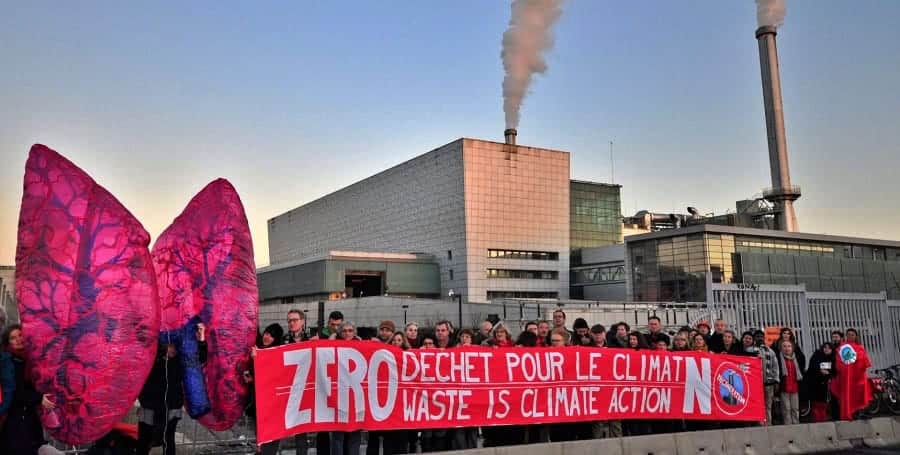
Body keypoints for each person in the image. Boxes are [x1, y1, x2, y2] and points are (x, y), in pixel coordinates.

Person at [137, 323, 207, 455]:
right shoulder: (152, 331)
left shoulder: (183, 343)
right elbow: (141, 345)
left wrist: (201, 340)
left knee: (168, 438)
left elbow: (198, 360)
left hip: (172, 399)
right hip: (150, 398)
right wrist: (163, 350)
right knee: (145, 437)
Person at [1, 324, 53, 454]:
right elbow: (15, 391)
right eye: (13, 338)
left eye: (20, 335)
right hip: (16, 422)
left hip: (29, 419)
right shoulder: (9, 362)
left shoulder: (30, 359)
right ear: (7, 343)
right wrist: (38, 397)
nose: (18, 339)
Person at [248, 324, 286, 455]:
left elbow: (271, 377)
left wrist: (256, 360)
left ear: (276, 338)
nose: (266, 336)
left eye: (270, 335)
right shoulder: (258, 349)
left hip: (272, 403)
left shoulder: (276, 353)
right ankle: (260, 450)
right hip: (258, 401)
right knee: (260, 434)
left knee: (269, 437)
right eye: (266, 333)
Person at [280, 312, 312, 455]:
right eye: (289, 321)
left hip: (306, 389)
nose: (291, 323)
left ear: (302, 321)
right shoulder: (283, 340)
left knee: (302, 429)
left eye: (294, 320)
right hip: (287, 388)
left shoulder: (311, 339)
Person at [331, 323, 362, 455]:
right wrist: (330, 341)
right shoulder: (333, 346)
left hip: (356, 398)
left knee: (354, 435)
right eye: (344, 331)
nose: (347, 333)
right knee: (338, 435)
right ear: (340, 333)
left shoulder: (362, 347)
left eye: (350, 331)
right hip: (339, 397)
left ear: (354, 332)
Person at [830, 328, 872, 421]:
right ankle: (851, 413)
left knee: (860, 395)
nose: (850, 336)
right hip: (848, 376)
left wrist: (858, 356)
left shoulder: (860, 347)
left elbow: (865, 362)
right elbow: (840, 362)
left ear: (856, 336)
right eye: (848, 334)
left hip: (859, 376)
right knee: (849, 395)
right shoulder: (843, 347)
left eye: (852, 334)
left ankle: (861, 412)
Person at [754, 330, 780, 425]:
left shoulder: (770, 351)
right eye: (757, 336)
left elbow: (775, 366)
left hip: (769, 384)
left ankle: (768, 424)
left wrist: (776, 380)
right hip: (755, 384)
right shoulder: (751, 350)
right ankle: (759, 424)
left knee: (768, 405)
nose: (759, 338)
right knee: (758, 405)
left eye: (761, 336)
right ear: (754, 338)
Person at [805, 342, 835, 423]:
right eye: (825, 347)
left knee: (823, 404)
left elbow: (833, 371)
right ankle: (817, 420)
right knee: (816, 404)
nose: (827, 349)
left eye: (829, 348)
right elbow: (812, 368)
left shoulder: (832, 358)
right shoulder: (816, 356)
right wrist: (820, 371)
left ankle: (822, 419)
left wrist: (828, 373)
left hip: (825, 385)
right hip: (815, 384)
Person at [779, 340, 803, 425]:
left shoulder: (796, 359)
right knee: (786, 408)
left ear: (792, 348)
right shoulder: (779, 359)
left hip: (794, 387)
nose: (787, 348)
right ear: (781, 348)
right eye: (784, 346)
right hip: (784, 387)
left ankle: (796, 424)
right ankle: (788, 425)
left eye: (789, 346)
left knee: (795, 408)